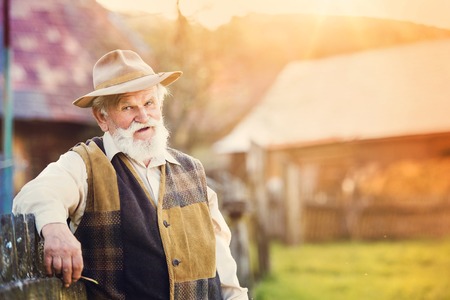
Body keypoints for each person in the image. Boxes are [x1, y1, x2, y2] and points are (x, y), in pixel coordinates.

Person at [13, 49, 249, 299]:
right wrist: (55, 229)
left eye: (149, 103)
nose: (143, 116)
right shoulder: (84, 164)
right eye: (128, 107)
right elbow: (33, 194)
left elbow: (223, 270)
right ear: (102, 117)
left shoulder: (192, 171)